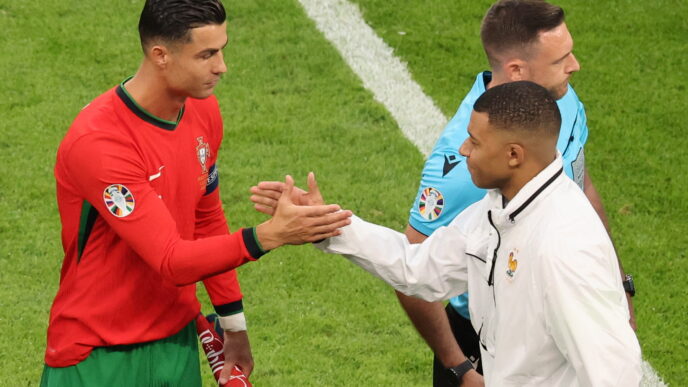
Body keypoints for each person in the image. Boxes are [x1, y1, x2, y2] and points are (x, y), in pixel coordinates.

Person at [40, 1, 351, 386]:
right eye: (206, 54)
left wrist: (233, 324)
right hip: (98, 354)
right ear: (161, 56)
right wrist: (269, 235)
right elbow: (170, 259)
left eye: (222, 50)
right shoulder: (101, 142)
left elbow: (205, 220)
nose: (222, 66)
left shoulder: (202, 112)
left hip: (177, 343)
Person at [315, 81, 642, 386]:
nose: (463, 149)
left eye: (475, 141)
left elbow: (615, 374)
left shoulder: (562, 248)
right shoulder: (499, 208)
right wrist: (324, 224)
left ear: (513, 155)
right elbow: (419, 268)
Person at [397, 1, 636, 385]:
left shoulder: (561, 100)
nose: (574, 65)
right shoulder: (462, 166)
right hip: (487, 333)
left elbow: (581, 182)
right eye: (560, 59)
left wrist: (619, 283)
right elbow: (410, 266)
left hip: (554, 319)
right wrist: (457, 365)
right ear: (518, 71)